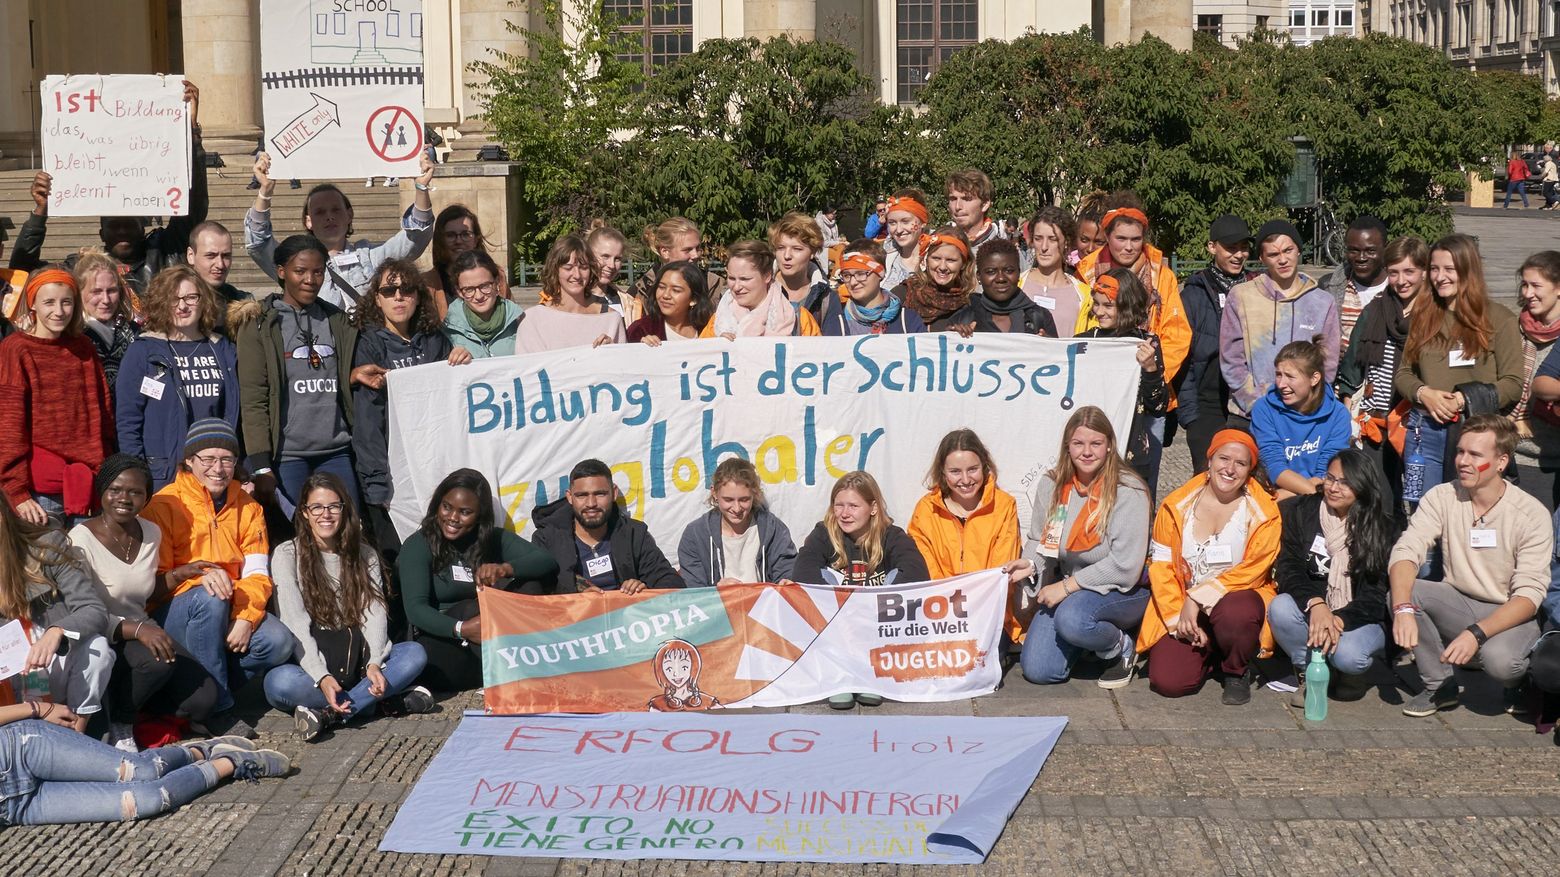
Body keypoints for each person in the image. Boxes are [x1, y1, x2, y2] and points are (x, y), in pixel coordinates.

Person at [142, 419, 297, 737]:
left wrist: (245, 617)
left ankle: (193, 696)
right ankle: (219, 709)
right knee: (209, 597)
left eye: (226, 459)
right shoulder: (163, 505)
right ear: (189, 461)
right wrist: (202, 581)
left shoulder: (249, 508)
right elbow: (153, 584)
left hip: (228, 605)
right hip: (175, 613)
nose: (218, 468)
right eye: (208, 459)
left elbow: (256, 573)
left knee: (278, 642)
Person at [1388, 415, 1550, 717]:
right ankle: (1440, 686)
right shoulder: (1442, 496)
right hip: (1459, 601)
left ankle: (1520, 682)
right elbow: (1406, 551)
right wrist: (1402, 610)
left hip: (1510, 612)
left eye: (1475, 455)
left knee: (1500, 660)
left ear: (1501, 462)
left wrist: (1475, 633)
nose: (1463, 461)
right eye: (1460, 451)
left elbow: (1529, 597)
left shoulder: (1530, 513)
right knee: (1406, 591)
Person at [264, 473, 435, 741]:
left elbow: (374, 612)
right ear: (305, 513)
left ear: (344, 510)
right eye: (317, 507)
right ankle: (374, 704)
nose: (326, 514)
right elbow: (294, 622)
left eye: (334, 506)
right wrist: (322, 677)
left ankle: (330, 715)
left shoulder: (364, 554)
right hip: (313, 668)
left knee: (414, 653)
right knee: (278, 683)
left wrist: (375, 664)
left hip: (360, 665)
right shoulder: (287, 555)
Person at [70, 455, 219, 751]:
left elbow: (142, 594)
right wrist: (138, 630)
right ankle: (120, 723)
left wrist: (179, 574)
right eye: (115, 489)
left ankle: (133, 701)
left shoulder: (151, 532)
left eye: (135, 492)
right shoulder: (80, 539)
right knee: (157, 661)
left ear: (146, 497)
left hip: (140, 628)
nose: (124, 498)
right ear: (102, 492)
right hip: (100, 635)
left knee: (204, 699)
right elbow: (83, 609)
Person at [13, 82, 208, 293]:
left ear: (143, 228)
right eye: (114, 225)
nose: (123, 231)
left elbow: (194, 205)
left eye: (130, 224)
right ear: (102, 233)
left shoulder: (166, 253)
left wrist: (191, 133)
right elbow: (23, 271)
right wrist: (39, 213)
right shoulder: (80, 268)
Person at [1003, 408, 1151, 687]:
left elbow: (1125, 566)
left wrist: (1068, 587)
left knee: (1072, 618)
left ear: (1109, 446)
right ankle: (1086, 641)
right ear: (1067, 447)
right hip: (1071, 586)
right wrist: (1030, 563)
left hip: (1122, 589)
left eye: (1095, 443)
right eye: (1078, 443)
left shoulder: (1128, 490)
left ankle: (1120, 646)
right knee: (1038, 670)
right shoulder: (1053, 484)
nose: (1086, 451)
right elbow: (1040, 538)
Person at [1137, 430, 1281, 704]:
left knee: (1238, 611)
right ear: (1210, 459)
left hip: (1232, 603)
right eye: (1223, 458)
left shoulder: (1264, 512)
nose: (1230, 468)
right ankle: (1210, 651)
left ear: (1250, 469)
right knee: (1168, 681)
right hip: (1182, 604)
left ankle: (1235, 669)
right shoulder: (1176, 506)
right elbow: (1162, 566)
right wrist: (1177, 618)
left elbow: (1255, 568)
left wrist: (1199, 596)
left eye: (1240, 463)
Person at [397, 469, 560, 692]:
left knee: (530, 584)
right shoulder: (418, 544)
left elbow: (546, 561)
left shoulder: (491, 538)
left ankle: (516, 673)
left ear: (480, 515)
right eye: (447, 507)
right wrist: (461, 628)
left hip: (491, 642)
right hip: (446, 645)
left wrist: (505, 568)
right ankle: (520, 676)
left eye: (465, 512)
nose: (453, 518)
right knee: (471, 608)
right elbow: (415, 609)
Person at [236, 235, 360, 517]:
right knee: (301, 533)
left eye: (318, 271)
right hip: (288, 455)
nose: (310, 279)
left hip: (337, 450)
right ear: (281, 272)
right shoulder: (259, 324)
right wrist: (261, 464)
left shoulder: (337, 320)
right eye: (300, 271)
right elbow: (253, 397)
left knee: (345, 527)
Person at [351, 260, 469, 556]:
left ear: (418, 295)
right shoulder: (367, 344)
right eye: (389, 290)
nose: (399, 297)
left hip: (433, 466)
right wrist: (376, 482)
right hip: (391, 472)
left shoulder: (436, 342)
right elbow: (368, 421)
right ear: (377, 298)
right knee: (398, 557)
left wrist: (461, 363)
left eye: (407, 289)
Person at [1394, 234, 1522, 503]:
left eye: (1449, 269)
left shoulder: (1499, 319)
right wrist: (1423, 393)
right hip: (1425, 432)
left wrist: (1465, 398)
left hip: (1476, 435)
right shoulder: (1423, 316)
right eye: (1434, 268)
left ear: (1468, 270)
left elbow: (1512, 383)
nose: (1440, 277)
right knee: (1424, 516)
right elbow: (1403, 374)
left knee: (1469, 515)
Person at [1269, 448, 1398, 708]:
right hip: (1315, 606)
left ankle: (1344, 671)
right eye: (1330, 478)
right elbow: (1289, 567)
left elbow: (1375, 595)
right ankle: (1308, 669)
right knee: (1280, 607)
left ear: (1362, 486)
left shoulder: (1381, 527)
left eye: (1345, 482)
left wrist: (1338, 618)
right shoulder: (1301, 511)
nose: (1334, 488)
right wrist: (1316, 605)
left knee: (1350, 657)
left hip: (1361, 617)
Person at [792, 470, 929, 708]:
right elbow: (803, 570)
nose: (845, 513)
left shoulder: (891, 536)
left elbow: (916, 571)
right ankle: (841, 677)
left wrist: (871, 601)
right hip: (838, 628)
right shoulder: (824, 533)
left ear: (873, 507)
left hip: (875, 627)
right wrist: (841, 601)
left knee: (898, 578)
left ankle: (872, 674)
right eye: (839, 505)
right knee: (820, 579)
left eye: (853, 506)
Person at [0, 716, 288, 826]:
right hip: (16, 808)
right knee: (149, 799)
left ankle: (199, 750)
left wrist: (35, 707)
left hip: (17, 750)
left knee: (142, 769)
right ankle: (230, 763)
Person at [246, 149, 436, 312]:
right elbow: (258, 244)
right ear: (308, 221)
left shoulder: (370, 256)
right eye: (320, 212)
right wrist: (265, 191)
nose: (329, 216)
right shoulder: (294, 264)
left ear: (349, 215)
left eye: (336, 209)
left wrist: (420, 187)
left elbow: (415, 239)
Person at [0, 268, 113, 526]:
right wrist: (16, 492)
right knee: (49, 564)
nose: (59, 311)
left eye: (66, 302)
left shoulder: (83, 348)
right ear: (33, 305)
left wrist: (106, 474)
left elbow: (103, 413)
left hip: (88, 484)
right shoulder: (15, 349)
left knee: (86, 565)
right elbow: (8, 427)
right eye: (49, 302)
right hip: (39, 492)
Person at [116, 265, 240, 491]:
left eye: (191, 297)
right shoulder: (143, 352)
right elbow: (128, 422)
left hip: (215, 472)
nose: (182, 306)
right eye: (174, 298)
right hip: (164, 474)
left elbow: (235, 413)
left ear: (204, 301)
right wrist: (137, 472)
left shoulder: (222, 349)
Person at [0, 493, 112, 734]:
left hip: (54, 664)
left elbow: (93, 609)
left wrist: (57, 631)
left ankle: (78, 731)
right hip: (8, 680)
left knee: (98, 648)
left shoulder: (46, 547)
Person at [1221, 219, 1341, 423]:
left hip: (1304, 415)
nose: (1283, 259)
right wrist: (1256, 404)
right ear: (1262, 258)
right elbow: (1231, 359)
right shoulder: (1241, 297)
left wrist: (1310, 402)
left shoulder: (1322, 302)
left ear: (1298, 250)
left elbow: (1327, 362)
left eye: (1288, 250)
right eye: (1274, 254)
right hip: (1253, 413)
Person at [1336, 236, 1428, 483]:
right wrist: (1347, 402)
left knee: (1420, 494)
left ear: (1424, 272)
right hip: (1374, 419)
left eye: (1409, 271)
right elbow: (1354, 362)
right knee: (1380, 498)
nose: (1401, 280)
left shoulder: (1434, 314)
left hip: (1416, 420)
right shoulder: (1375, 309)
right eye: (1394, 272)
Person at [1073, 201, 1192, 389]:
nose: (1128, 247)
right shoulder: (1086, 274)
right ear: (1107, 236)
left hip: (1145, 382)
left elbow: (1177, 335)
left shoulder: (1161, 276)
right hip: (1095, 383)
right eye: (1121, 238)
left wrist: (1152, 375)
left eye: (1135, 239)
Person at [906, 429, 1020, 611]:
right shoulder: (926, 510)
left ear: (984, 466)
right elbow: (926, 572)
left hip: (989, 613)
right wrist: (949, 607)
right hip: (940, 612)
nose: (965, 480)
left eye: (973, 469)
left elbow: (1001, 572)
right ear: (943, 473)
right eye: (955, 471)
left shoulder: (1004, 506)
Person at [532, 459, 684, 594]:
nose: (591, 504)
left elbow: (670, 582)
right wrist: (576, 598)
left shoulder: (634, 533)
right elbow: (535, 595)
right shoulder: (547, 539)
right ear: (570, 497)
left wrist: (643, 589)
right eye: (582, 495)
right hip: (575, 622)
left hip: (628, 620)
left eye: (600, 494)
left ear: (614, 493)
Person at [1079, 270, 1169, 493]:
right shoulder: (1084, 343)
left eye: (1108, 306)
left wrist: (1150, 369)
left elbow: (1157, 406)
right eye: (1096, 304)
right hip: (1089, 450)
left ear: (1126, 306)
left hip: (1131, 451)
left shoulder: (1146, 343)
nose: (1099, 312)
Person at [1178, 215, 1256, 470]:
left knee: (1245, 479)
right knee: (1206, 477)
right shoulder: (1194, 293)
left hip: (1247, 403)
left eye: (1243, 247)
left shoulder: (1258, 288)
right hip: (1206, 403)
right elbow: (1183, 355)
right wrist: (1191, 417)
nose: (1239, 255)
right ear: (1212, 247)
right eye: (1231, 248)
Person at [1251, 338, 1352, 500]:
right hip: (1278, 493)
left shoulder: (1338, 414)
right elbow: (1274, 466)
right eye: (1278, 375)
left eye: (1290, 376)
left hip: (1306, 496)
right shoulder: (1264, 409)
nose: (1281, 384)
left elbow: (1328, 471)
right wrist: (1311, 490)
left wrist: (1286, 494)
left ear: (1314, 378)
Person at [677, 458, 797, 587]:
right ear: (714, 493)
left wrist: (785, 582)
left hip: (763, 605)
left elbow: (786, 571)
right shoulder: (695, 534)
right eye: (728, 500)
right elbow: (694, 592)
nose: (736, 508)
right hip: (717, 606)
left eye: (744, 499)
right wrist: (716, 591)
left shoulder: (773, 529)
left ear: (754, 493)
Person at [515, 234, 626, 353]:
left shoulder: (611, 319)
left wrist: (613, 352)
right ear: (555, 270)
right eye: (568, 268)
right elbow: (527, 369)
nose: (577, 275)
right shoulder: (532, 319)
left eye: (583, 267)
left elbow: (623, 367)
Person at [1512, 251, 1560, 508]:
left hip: (1553, 461)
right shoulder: (1514, 329)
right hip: (1514, 458)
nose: (1528, 293)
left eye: (1536, 286)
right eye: (1525, 284)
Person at [701, 240, 823, 338]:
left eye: (745, 279)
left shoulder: (799, 319)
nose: (736, 287)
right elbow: (699, 362)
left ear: (767, 276)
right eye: (732, 278)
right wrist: (716, 348)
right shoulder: (718, 322)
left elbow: (819, 360)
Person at [947, 239, 1058, 337]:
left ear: (1018, 273)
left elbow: (1059, 359)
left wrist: (1050, 347)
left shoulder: (1040, 317)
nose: (1001, 278)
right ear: (979, 277)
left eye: (1009, 271)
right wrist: (952, 338)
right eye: (991, 272)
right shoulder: (963, 318)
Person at [73, 251, 140, 401]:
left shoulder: (134, 333)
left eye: (111, 290)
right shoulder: (72, 336)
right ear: (79, 292)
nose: (106, 300)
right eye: (96, 291)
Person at [822, 241, 926, 335]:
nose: (853, 282)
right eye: (846, 275)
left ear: (880, 274)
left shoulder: (907, 320)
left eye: (861, 273)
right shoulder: (836, 324)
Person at [1018, 206, 1092, 337]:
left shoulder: (1084, 295)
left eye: (1053, 239)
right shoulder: (1016, 285)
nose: (1044, 247)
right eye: (1038, 238)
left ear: (1066, 242)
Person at [1319, 216, 1390, 349]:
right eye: (1354, 251)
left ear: (1385, 249)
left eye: (1370, 251)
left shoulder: (1400, 287)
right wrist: (1331, 349)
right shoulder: (1329, 287)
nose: (1361, 258)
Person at [628, 218, 726, 309]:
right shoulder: (641, 290)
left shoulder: (711, 284)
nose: (695, 255)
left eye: (697, 248)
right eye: (687, 250)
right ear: (665, 252)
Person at [442, 250, 523, 359]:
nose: (479, 296)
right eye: (469, 289)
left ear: (497, 282)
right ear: (459, 291)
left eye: (485, 286)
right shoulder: (447, 331)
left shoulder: (519, 321)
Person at [892, 227, 974, 331]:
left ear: (963, 264)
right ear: (926, 259)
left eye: (951, 260)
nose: (942, 267)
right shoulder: (902, 295)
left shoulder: (970, 306)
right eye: (936, 258)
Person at [424, 204, 498, 319]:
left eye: (465, 234)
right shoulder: (428, 284)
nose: (458, 241)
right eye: (450, 235)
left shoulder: (498, 276)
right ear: (441, 240)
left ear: (476, 239)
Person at [185, 222, 256, 337]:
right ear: (191, 256)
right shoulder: (167, 305)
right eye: (211, 256)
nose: (220, 264)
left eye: (226, 256)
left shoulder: (242, 303)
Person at [626, 260, 713, 344]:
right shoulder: (641, 330)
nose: (666, 295)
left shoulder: (710, 328)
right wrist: (641, 349)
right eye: (661, 287)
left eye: (676, 290)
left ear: (694, 299)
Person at [768, 212, 833, 322]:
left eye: (797, 249)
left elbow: (835, 339)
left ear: (813, 252)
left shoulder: (826, 298)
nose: (787, 256)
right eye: (781, 248)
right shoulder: (757, 288)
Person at [945, 169, 1007, 255]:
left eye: (967, 199)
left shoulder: (1005, 252)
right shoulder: (937, 244)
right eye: (953, 199)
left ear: (985, 204)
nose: (958, 206)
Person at [586, 223, 638, 322]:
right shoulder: (572, 300)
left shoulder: (627, 302)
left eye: (617, 259)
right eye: (605, 256)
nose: (611, 265)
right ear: (588, 255)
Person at [881, 189, 930, 292]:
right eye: (892, 222)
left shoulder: (937, 260)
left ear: (923, 222)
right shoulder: (883, 257)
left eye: (905, 221)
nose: (898, 230)